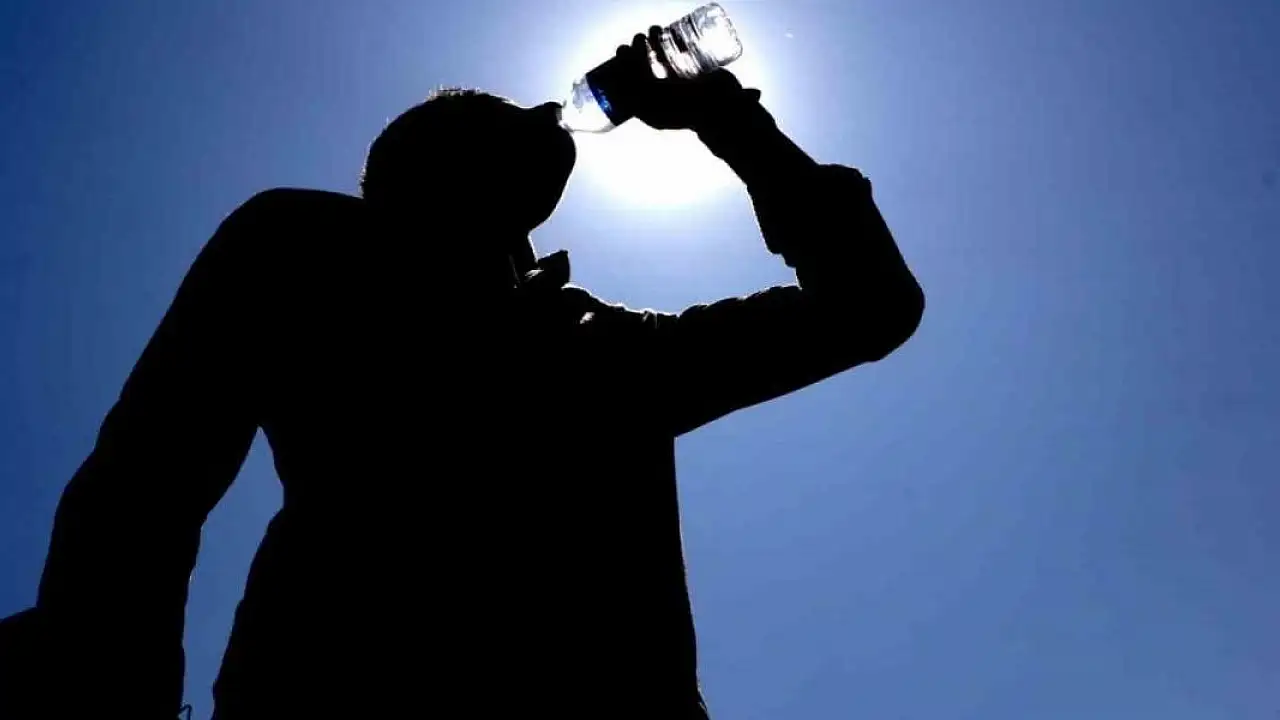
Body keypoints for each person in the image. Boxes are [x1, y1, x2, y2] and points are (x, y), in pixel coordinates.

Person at [0, 30, 924, 719]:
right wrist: (99, 688)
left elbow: (872, 307)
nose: (541, 112)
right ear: (421, 170)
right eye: (494, 113)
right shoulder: (308, 250)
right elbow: (147, 481)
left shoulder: (608, 350)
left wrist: (735, 124)